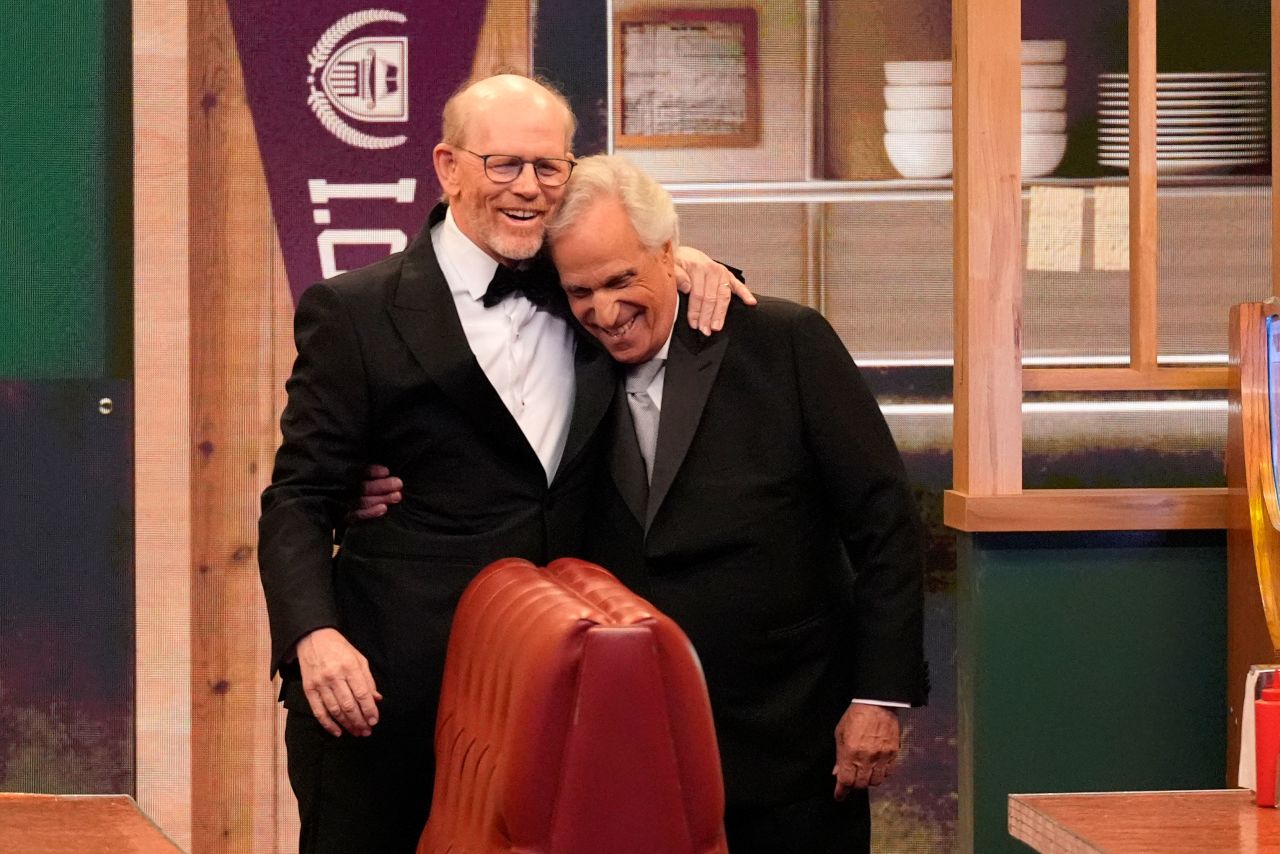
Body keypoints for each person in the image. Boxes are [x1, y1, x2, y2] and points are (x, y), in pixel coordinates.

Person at [257, 74, 749, 854]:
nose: (528, 188)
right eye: (504, 165)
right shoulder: (353, 310)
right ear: (448, 168)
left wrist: (694, 262)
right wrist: (312, 637)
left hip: (562, 696)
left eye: (548, 168)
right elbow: (298, 497)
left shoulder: (588, 291)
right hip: (389, 690)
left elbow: (643, 273)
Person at [547, 155, 927, 853]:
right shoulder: (558, 361)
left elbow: (886, 526)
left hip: (794, 745)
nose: (604, 311)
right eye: (580, 291)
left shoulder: (784, 341)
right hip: (632, 755)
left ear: (670, 255)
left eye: (621, 280)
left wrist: (879, 697)